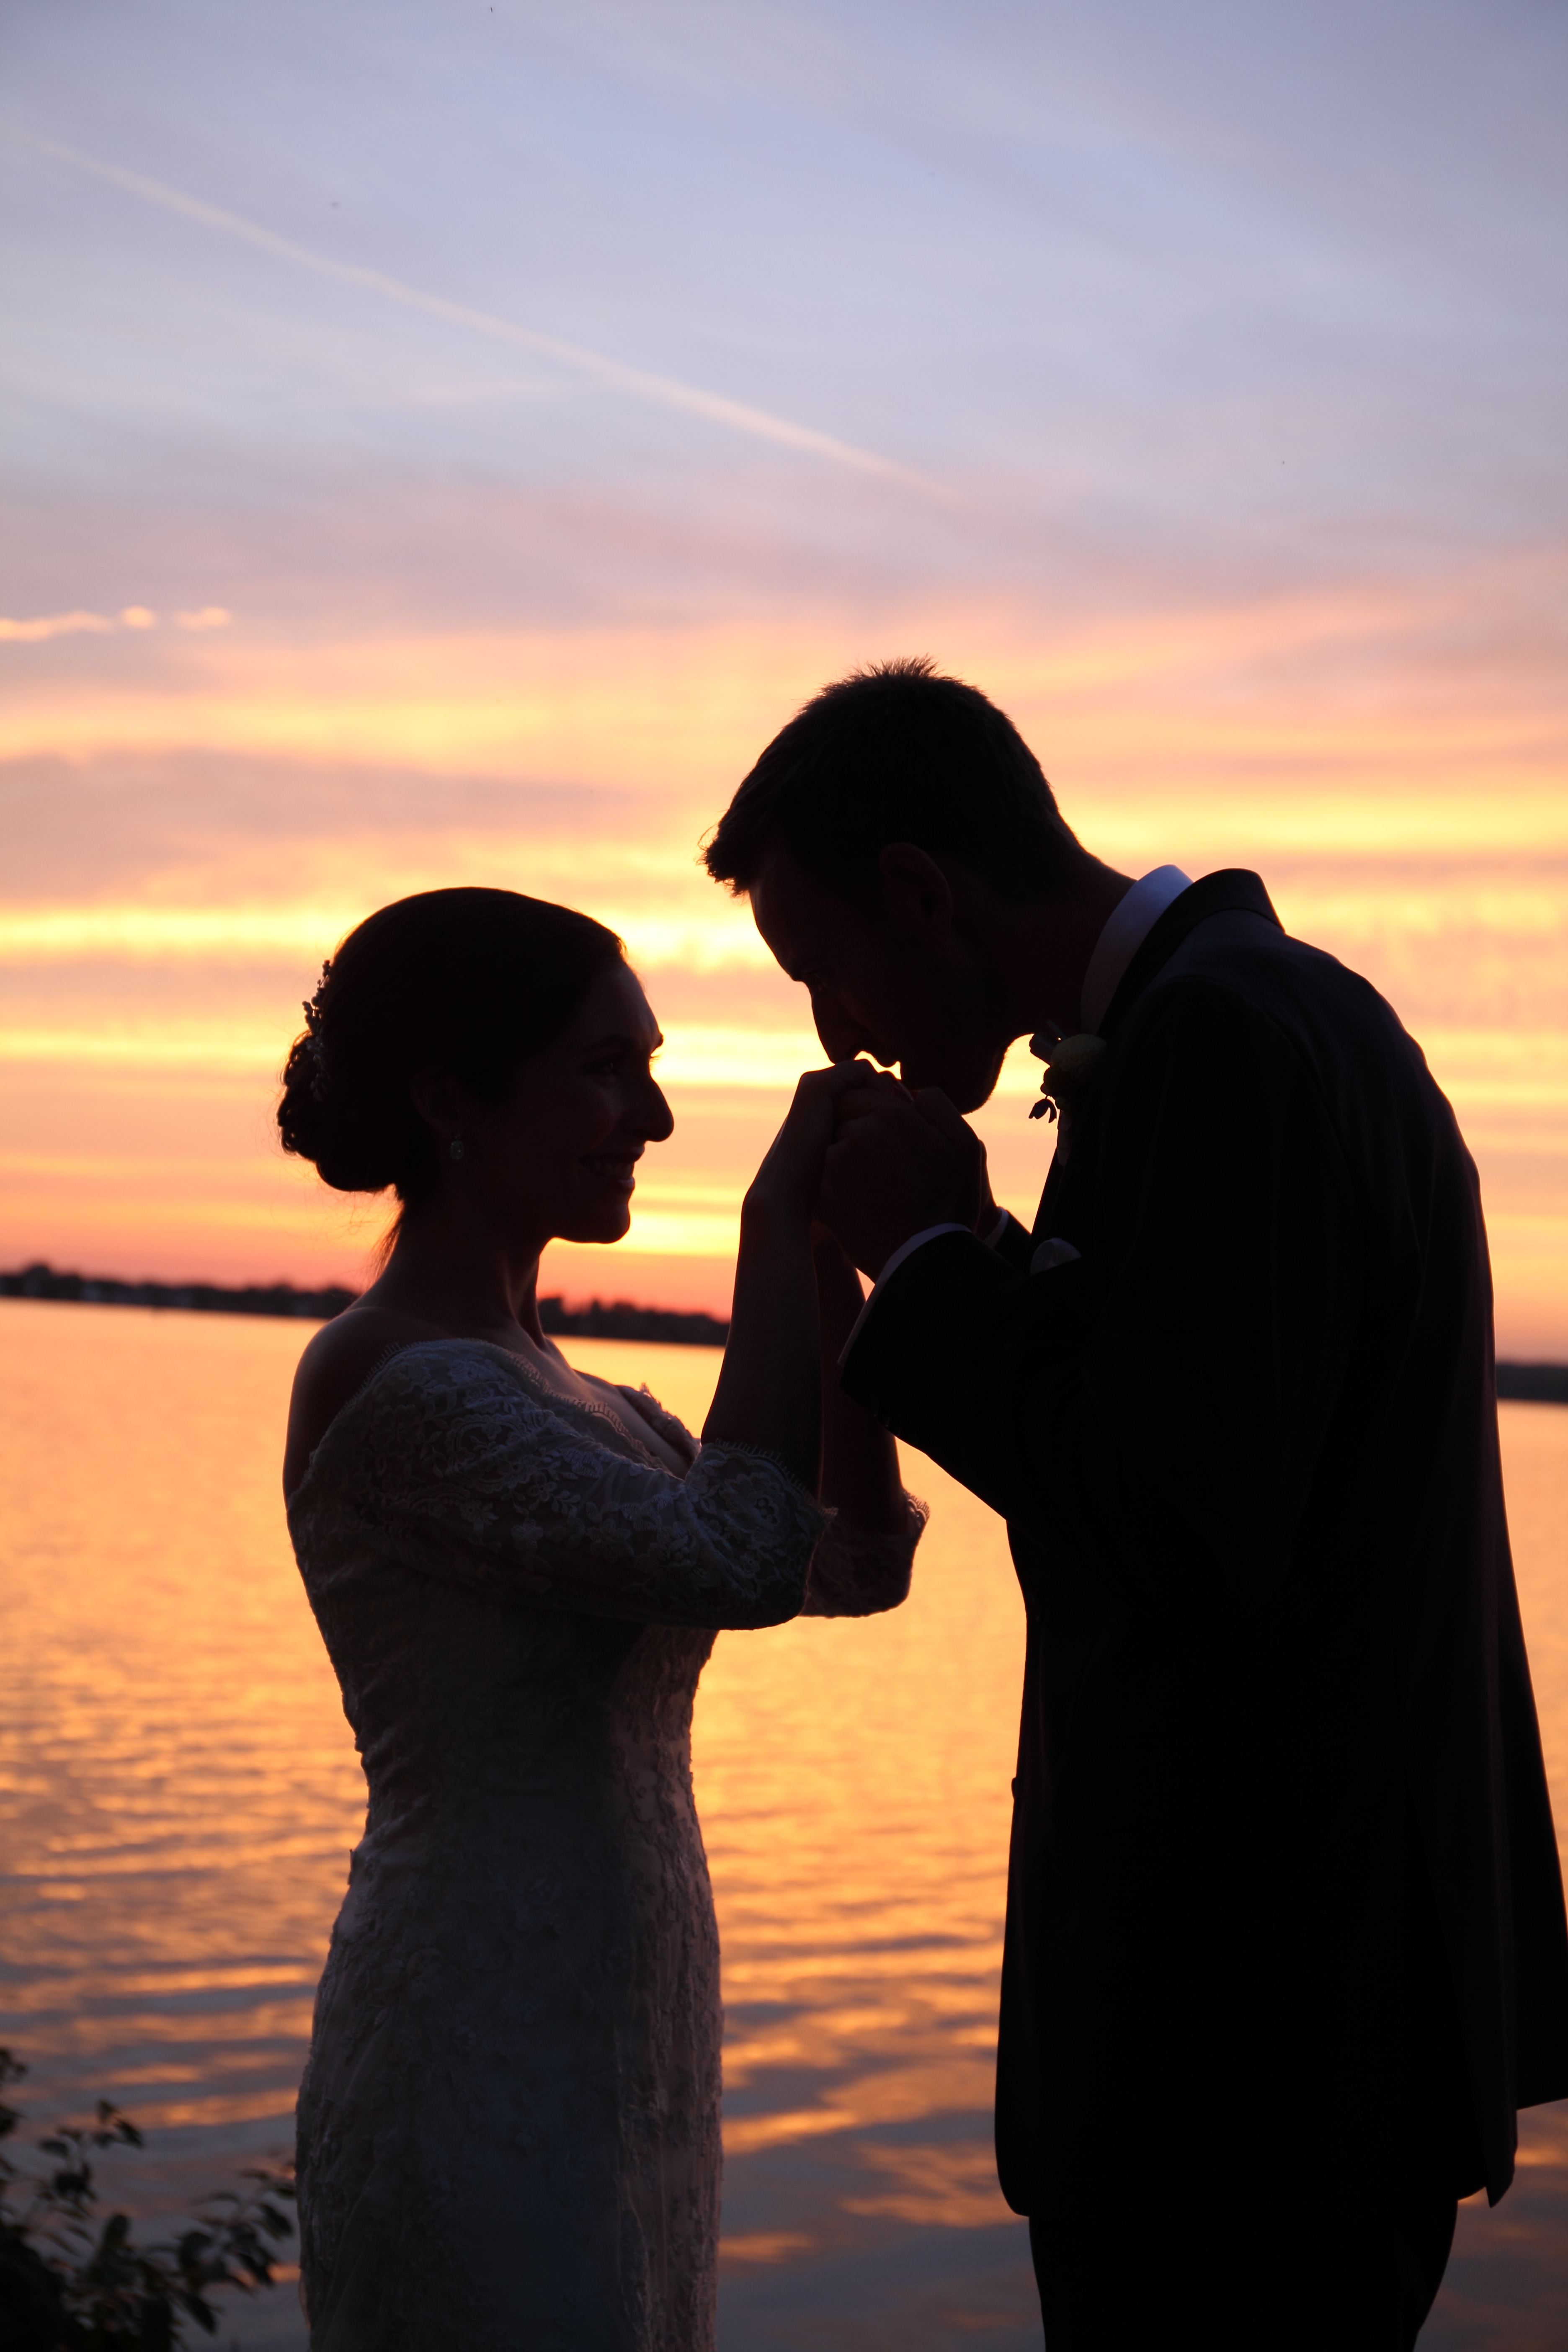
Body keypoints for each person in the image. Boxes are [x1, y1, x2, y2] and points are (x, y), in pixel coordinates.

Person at [703, 657, 1568, 2349]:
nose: (837, 1034)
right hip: (1294, 2030)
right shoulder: (1249, 1020)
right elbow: (1206, 1427)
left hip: (1252, 2058)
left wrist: (935, 1263)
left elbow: (1179, 1523)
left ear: (919, 893)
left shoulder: (1226, 1042)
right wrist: (998, 1269)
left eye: (823, 974)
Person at [276, 887, 925, 2352]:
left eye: (650, 1065)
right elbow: (744, 1556)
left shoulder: (585, 1399)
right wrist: (771, 1222)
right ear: (451, 1097)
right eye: (605, 1068)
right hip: (470, 2058)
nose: (655, 1116)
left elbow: (849, 1562)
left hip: (629, 2057)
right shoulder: (396, 1384)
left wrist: (827, 1268)